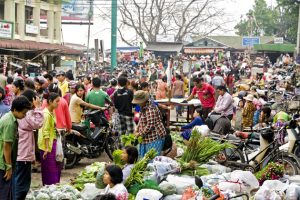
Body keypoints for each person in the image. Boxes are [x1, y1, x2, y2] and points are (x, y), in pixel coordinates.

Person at [0, 96, 32, 199]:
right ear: (14, 110)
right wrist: (8, 167)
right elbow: (7, 147)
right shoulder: (9, 123)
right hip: (3, 164)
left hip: (5, 163)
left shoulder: (11, 118)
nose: (24, 115)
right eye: (23, 113)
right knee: (4, 194)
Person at [14, 90, 44, 199]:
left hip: (21, 152)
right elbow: (38, 123)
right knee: (22, 184)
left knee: (19, 181)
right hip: (23, 154)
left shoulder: (21, 111)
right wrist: (38, 108)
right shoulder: (24, 114)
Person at [133, 90, 166, 157]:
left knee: (151, 160)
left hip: (155, 137)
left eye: (139, 102)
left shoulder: (150, 109)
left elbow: (150, 125)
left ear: (143, 101)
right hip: (146, 137)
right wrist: (137, 128)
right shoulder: (143, 107)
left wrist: (139, 134)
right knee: (144, 159)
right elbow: (141, 119)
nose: (138, 104)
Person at [38, 93, 61, 185]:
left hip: (52, 142)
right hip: (47, 146)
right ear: (50, 101)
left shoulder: (52, 111)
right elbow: (45, 132)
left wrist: (56, 130)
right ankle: (50, 187)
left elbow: (51, 128)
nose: (58, 103)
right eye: (57, 101)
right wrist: (47, 148)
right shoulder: (46, 114)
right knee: (50, 169)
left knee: (55, 168)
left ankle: (53, 186)